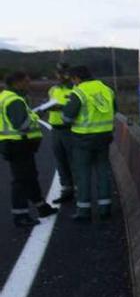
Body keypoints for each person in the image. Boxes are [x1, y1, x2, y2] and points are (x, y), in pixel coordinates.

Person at [0, 71, 57, 227]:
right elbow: (22, 125)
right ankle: (20, 215)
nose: (28, 84)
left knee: (29, 176)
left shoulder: (4, 97)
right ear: (17, 83)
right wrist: (36, 116)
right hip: (18, 144)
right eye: (26, 82)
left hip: (13, 144)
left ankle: (41, 207)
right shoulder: (14, 100)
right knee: (21, 180)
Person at [63, 66, 116, 222]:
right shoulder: (107, 90)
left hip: (83, 139)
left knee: (83, 174)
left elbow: (67, 118)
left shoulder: (79, 92)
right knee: (103, 172)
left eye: (73, 80)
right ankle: (105, 209)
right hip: (104, 138)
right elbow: (115, 110)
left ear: (76, 78)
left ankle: (84, 212)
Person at [46, 62, 76, 203]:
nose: (60, 76)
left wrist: (62, 107)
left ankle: (80, 192)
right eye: (58, 73)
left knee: (73, 161)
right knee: (61, 161)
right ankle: (66, 190)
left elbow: (79, 108)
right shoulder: (53, 89)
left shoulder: (76, 89)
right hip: (55, 130)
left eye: (63, 73)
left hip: (70, 130)